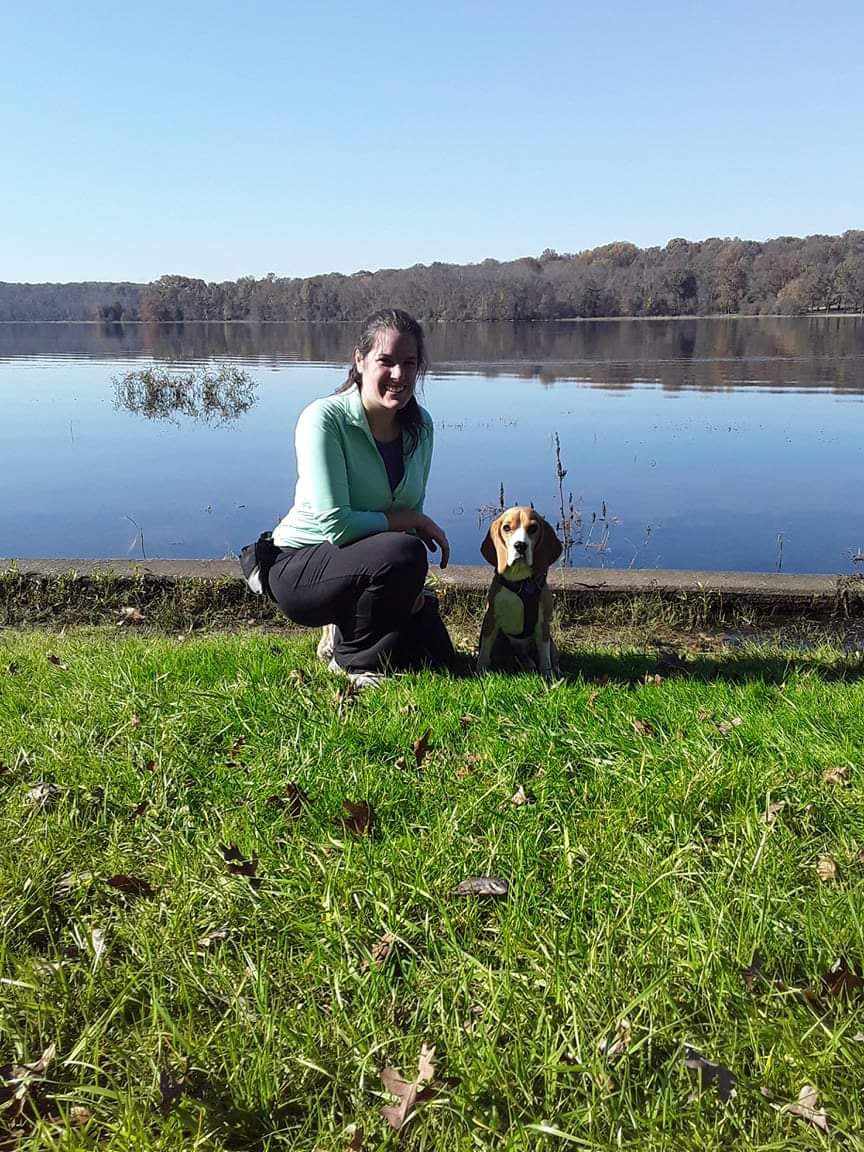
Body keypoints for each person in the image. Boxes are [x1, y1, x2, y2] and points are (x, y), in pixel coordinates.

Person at [266, 308, 455, 687]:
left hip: (373, 562)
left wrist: (410, 589)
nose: (399, 375)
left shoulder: (422, 427)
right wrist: (414, 524)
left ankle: (350, 628)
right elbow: (338, 525)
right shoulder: (324, 419)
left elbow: (408, 508)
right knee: (406, 551)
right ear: (360, 360)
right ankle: (354, 664)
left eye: (409, 363)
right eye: (386, 361)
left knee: (440, 660)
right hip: (300, 567)